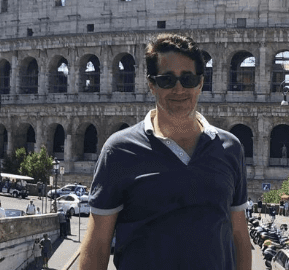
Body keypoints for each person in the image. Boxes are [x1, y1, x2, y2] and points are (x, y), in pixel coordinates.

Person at [79, 34, 250, 270]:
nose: (179, 88)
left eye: (188, 79)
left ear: (200, 83)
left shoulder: (231, 148)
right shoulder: (118, 150)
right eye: (167, 80)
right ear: (152, 84)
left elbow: (239, 236)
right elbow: (97, 245)